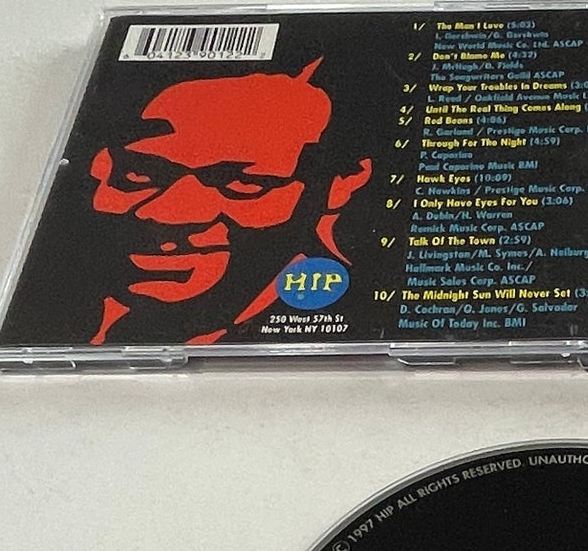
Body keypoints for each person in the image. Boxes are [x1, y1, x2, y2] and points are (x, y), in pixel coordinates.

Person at [83, 59, 373, 346]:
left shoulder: (357, 322)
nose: (170, 213)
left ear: (341, 185)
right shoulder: (70, 304)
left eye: (244, 184)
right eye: (141, 173)